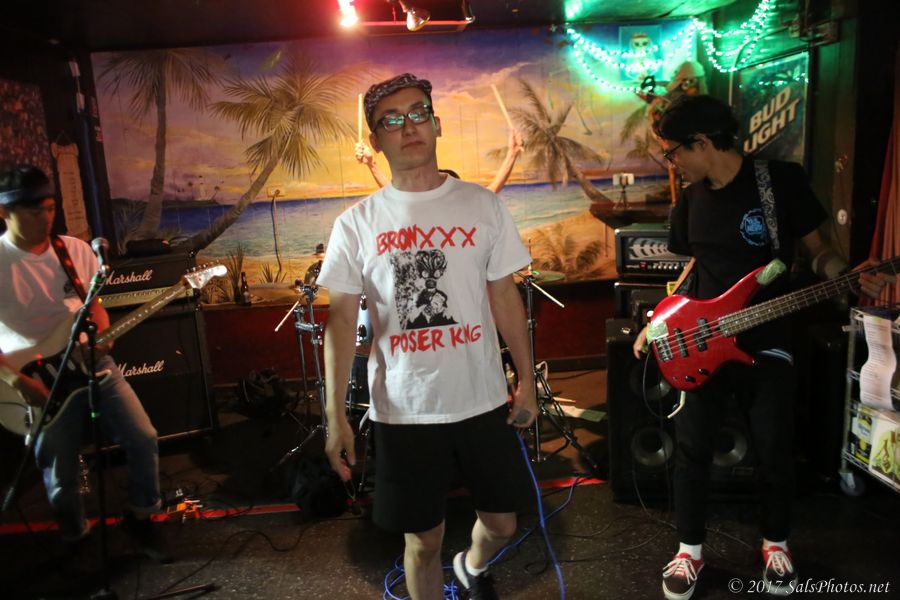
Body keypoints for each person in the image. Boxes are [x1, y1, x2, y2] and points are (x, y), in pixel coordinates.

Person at [631, 95, 894, 600]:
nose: (673, 163)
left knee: (774, 447)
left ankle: (776, 543)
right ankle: (689, 551)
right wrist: (658, 323)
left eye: (673, 152)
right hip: (701, 343)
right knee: (691, 449)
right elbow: (692, 270)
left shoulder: (779, 182)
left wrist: (848, 275)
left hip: (767, 338)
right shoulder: (690, 201)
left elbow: (818, 253)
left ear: (702, 143)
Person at [318, 73, 538, 600]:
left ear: (436, 123)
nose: (408, 126)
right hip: (405, 409)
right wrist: (335, 415)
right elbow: (341, 322)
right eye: (391, 120)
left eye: (418, 113)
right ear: (376, 141)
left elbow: (505, 297)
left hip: (482, 397)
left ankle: (471, 566)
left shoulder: (483, 206)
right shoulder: (356, 223)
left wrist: (527, 381)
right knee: (422, 541)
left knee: (504, 523)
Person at [0, 165, 171, 563]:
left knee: (143, 437)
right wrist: (16, 380)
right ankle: (74, 535)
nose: (46, 218)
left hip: (91, 362)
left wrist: (105, 334)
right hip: (31, 377)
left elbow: (94, 305)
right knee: (60, 475)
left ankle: (142, 516)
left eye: (50, 208)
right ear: (5, 212)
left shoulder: (74, 250)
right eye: (34, 212)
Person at [354, 126, 524, 194]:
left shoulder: (464, 208)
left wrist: (512, 153)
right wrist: (371, 164)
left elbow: (491, 191)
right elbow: (393, 192)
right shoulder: (424, 209)